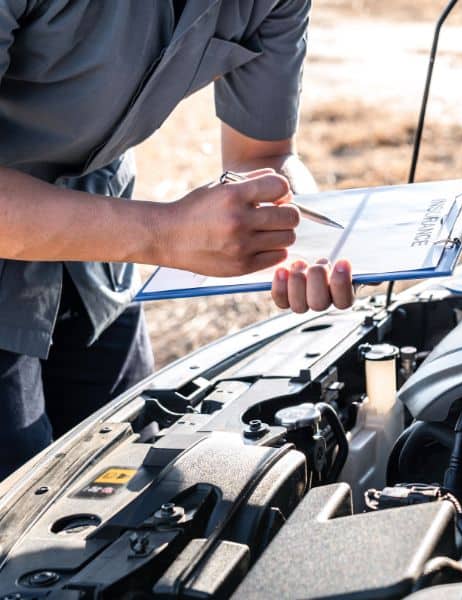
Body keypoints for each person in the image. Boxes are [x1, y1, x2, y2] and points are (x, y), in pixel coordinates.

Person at [0, 0, 353, 477]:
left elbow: (262, 155)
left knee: (122, 476)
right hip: (83, 236)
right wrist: (164, 233)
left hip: (98, 264)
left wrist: (304, 238)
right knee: (17, 510)